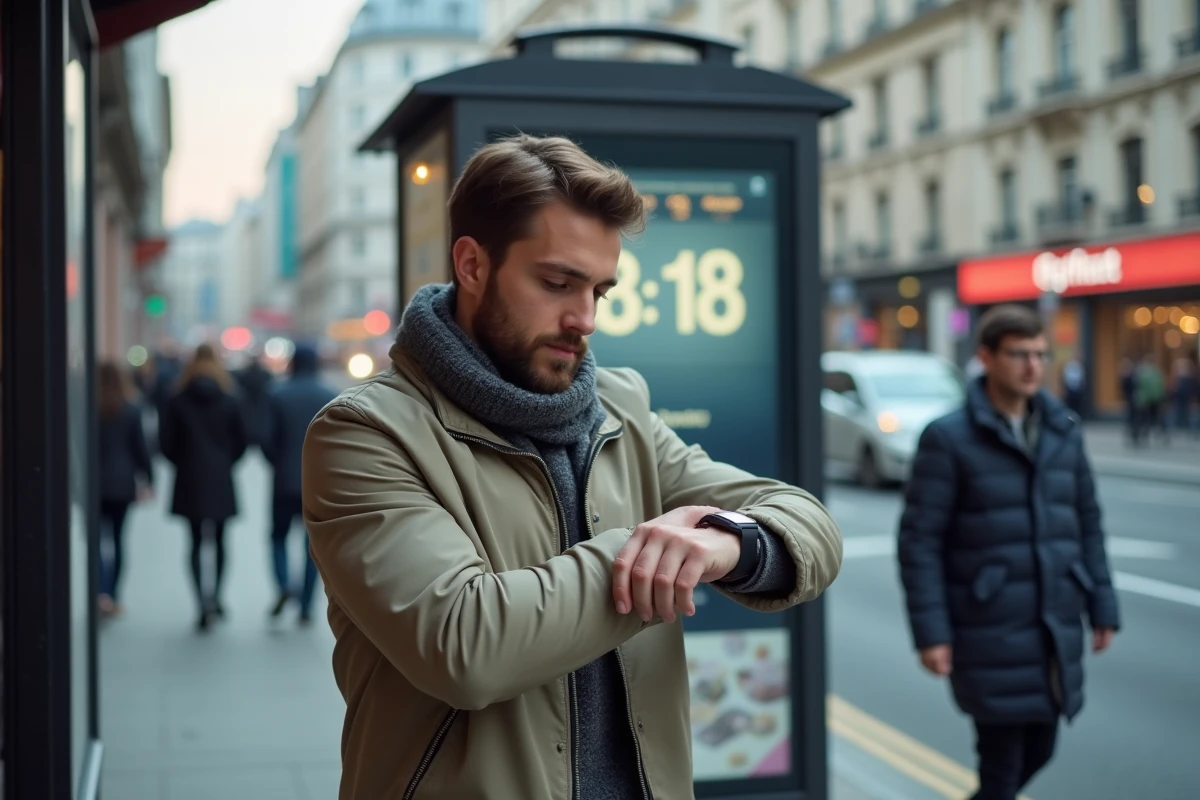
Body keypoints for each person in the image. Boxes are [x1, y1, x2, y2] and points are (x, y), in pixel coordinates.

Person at [301, 135, 843, 799]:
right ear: (472, 264)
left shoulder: (620, 405)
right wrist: (647, 554)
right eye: (557, 283)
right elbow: (466, 646)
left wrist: (722, 538)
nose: (583, 318)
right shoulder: (365, 432)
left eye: (600, 291)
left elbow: (807, 521)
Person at [897, 304, 1120, 800]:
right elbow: (919, 542)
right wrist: (931, 633)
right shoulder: (948, 438)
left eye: (1041, 355)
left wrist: (1103, 604)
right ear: (986, 358)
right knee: (1001, 770)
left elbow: (1087, 522)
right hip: (987, 624)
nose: (1033, 366)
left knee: (1041, 748)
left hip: (1052, 622)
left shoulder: (1063, 429)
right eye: (1019, 354)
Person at [160, 343, 248, 632]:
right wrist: (225, 462)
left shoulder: (177, 398)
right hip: (221, 477)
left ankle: (200, 602)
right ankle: (216, 597)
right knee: (221, 541)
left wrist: (184, 463)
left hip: (189, 477)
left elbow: (165, 444)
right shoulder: (230, 397)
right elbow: (242, 441)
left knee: (195, 542)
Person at [261, 343, 337, 624]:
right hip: (317, 484)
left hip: (283, 481)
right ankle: (306, 605)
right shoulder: (329, 395)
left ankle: (283, 586)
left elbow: (265, 439)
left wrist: (279, 464)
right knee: (312, 545)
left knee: (278, 536)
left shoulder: (277, 394)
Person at [97, 360, 154, 616]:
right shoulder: (131, 409)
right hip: (122, 482)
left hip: (95, 483)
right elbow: (141, 448)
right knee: (118, 541)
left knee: (97, 542)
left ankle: (100, 592)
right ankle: (114, 594)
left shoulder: (90, 408)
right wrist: (149, 480)